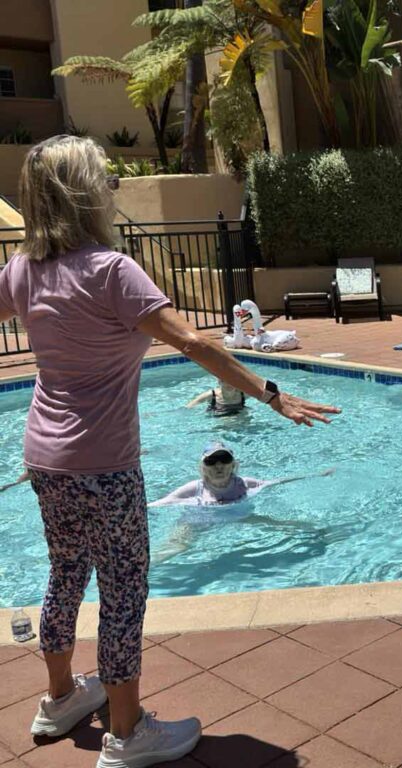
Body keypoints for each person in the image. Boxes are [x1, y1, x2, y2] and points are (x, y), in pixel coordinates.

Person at [0, 135, 338, 768]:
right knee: (124, 590)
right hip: (103, 465)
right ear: (82, 195)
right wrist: (272, 395)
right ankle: (128, 733)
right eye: (104, 179)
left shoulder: (22, 271)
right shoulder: (110, 271)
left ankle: (59, 698)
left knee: (65, 573)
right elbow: (196, 346)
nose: (111, 189)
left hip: (44, 459)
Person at [149, 442, 333, 507]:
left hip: (239, 519)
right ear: (203, 467)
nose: (219, 466)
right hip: (199, 523)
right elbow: (159, 504)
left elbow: (279, 482)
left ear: (233, 465)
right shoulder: (194, 489)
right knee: (177, 545)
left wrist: (317, 475)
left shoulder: (244, 484)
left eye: (224, 460)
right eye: (211, 461)